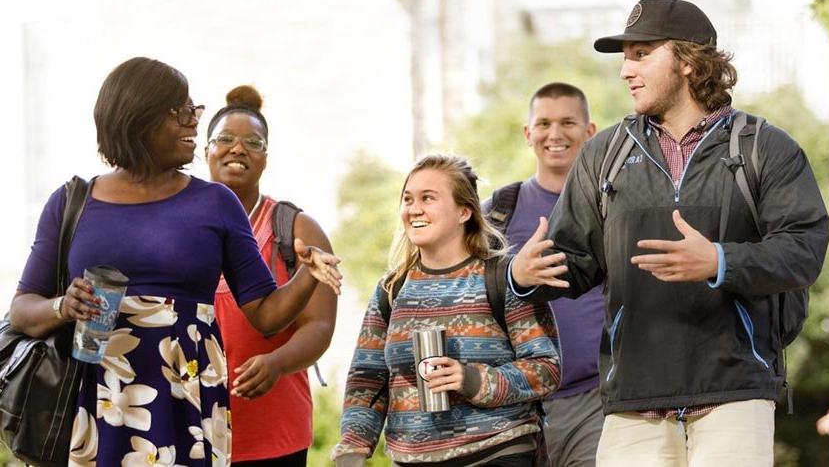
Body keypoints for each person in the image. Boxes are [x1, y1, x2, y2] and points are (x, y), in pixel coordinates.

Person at [508, 0, 829, 466]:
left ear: (686, 60)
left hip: (735, 396)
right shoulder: (603, 155)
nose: (625, 70)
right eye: (625, 56)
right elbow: (570, 263)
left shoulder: (765, 147)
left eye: (641, 54)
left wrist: (720, 261)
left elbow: (804, 248)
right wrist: (522, 274)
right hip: (632, 403)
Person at [9, 57, 341, 466]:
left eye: (193, 111)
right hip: (95, 399)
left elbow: (267, 315)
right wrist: (64, 306)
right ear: (139, 118)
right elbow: (23, 310)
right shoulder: (71, 202)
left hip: (187, 400)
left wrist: (308, 274)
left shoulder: (216, 203)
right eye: (181, 112)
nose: (193, 122)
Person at [332, 154, 562, 466]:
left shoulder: (503, 277)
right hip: (412, 458)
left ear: (464, 211)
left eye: (428, 198)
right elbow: (367, 378)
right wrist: (353, 447)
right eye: (408, 199)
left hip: (497, 451)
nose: (414, 209)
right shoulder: (391, 289)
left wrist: (471, 379)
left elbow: (545, 369)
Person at [206, 85, 337, 466]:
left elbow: (320, 326)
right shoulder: (180, 226)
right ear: (206, 151)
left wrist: (276, 363)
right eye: (225, 139)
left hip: (273, 432)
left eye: (253, 142)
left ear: (265, 158)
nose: (238, 148)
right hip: (191, 425)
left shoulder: (295, 229)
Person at [483, 82, 602, 467]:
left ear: (589, 132)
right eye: (544, 123)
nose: (555, 134)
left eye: (568, 122)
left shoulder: (614, 206)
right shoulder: (497, 212)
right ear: (527, 133)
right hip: (518, 406)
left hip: (597, 402)